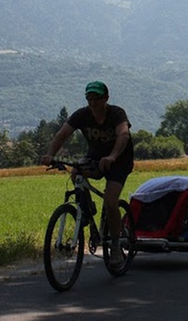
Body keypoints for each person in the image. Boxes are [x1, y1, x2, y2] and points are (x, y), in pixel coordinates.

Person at [41, 80, 135, 266]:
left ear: (106, 98)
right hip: (95, 157)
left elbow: (123, 135)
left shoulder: (116, 113)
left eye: (96, 98)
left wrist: (113, 156)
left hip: (119, 160)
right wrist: (50, 154)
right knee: (76, 173)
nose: (92, 102)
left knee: (110, 201)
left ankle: (115, 246)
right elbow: (62, 135)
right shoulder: (82, 115)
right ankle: (85, 210)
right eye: (89, 98)